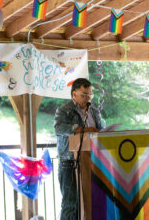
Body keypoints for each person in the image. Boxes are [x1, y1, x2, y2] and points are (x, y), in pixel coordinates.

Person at [54, 78, 103, 220]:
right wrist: (80, 129)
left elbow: (99, 129)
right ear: (74, 94)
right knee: (70, 204)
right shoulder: (64, 110)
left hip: (92, 161)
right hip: (69, 162)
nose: (87, 99)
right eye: (84, 95)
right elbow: (58, 128)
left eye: (89, 95)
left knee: (90, 202)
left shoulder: (93, 111)